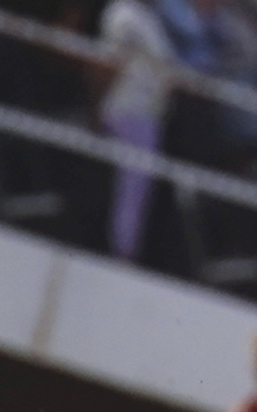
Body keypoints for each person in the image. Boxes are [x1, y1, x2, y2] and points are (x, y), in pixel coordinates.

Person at [97, 0, 176, 263]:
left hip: (150, 113)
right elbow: (110, 62)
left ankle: (131, 249)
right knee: (132, 186)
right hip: (127, 110)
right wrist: (95, 108)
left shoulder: (150, 18)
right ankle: (122, 253)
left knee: (141, 188)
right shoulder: (123, 13)